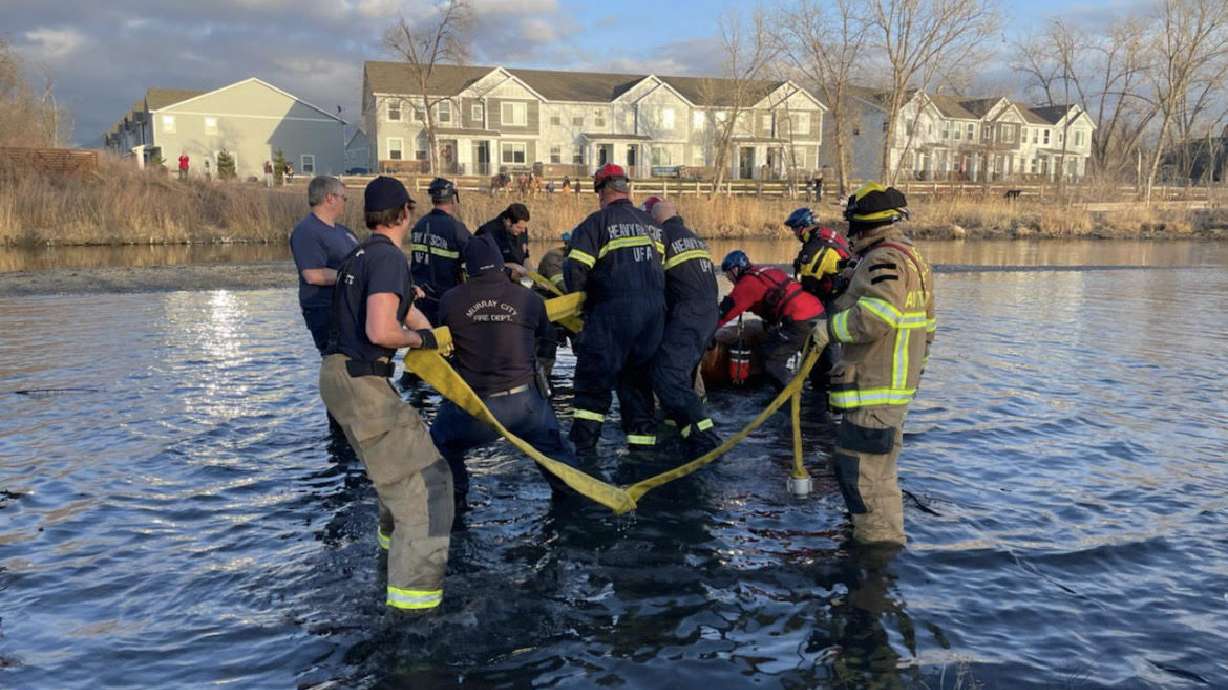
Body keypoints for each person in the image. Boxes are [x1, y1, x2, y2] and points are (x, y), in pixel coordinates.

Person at [318, 176, 453, 612]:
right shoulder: (390, 259)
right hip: (363, 383)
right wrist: (420, 343)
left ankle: (387, 562)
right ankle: (414, 614)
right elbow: (381, 330)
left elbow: (401, 313)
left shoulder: (359, 254)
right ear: (403, 215)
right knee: (429, 485)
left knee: (393, 478)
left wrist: (429, 330)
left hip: (337, 379)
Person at [809, 182, 936, 546]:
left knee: (864, 477)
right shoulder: (912, 258)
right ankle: (872, 550)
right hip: (888, 391)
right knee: (873, 475)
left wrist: (828, 328)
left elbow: (877, 316)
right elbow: (927, 329)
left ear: (863, 224)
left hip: (875, 390)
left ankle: (875, 566)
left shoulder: (884, 260)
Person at [430, 236, 575, 511]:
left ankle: (456, 503)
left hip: (476, 409)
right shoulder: (529, 299)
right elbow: (547, 337)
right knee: (558, 457)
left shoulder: (450, 300)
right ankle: (572, 503)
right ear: (501, 265)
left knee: (441, 442)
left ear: (466, 269)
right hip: (526, 404)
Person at [563, 163, 665, 452]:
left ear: (602, 191)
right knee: (638, 387)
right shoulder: (654, 227)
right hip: (653, 319)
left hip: (613, 316)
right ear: (626, 188)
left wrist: (583, 309)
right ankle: (642, 453)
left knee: (593, 385)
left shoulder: (597, 223)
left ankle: (583, 455)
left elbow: (576, 271)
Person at [642, 196, 721, 456]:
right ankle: (680, 428)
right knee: (685, 376)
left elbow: (651, 279)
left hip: (687, 315)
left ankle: (705, 438)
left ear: (655, 219)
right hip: (708, 314)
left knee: (667, 376)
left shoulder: (662, 236)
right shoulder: (694, 238)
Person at [717, 250, 825, 390]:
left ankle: (792, 396)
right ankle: (818, 393)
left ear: (736, 269)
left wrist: (707, 333)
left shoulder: (746, 284)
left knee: (771, 360)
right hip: (818, 312)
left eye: (728, 274)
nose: (729, 279)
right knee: (817, 360)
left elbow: (724, 313)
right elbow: (775, 299)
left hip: (799, 319)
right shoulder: (768, 271)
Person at [785, 207, 852, 393]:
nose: (794, 233)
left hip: (837, 295)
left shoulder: (816, 245)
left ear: (803, 228)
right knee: (826, 332)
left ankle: (831, 377)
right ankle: (822, 373)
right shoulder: (825, 235)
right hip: (840, 288)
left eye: (794, 229)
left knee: (828, 333)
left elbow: (808, 280)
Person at [290, 176, 359, 355]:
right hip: (325, 311)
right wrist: (354, 278)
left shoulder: (346, 233)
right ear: (330, 198)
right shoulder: (306, 231)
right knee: (339, 363)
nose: (345, 203)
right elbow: (313, 275)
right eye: (344, 198)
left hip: (351, 308)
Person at [408, 178, 471, 324]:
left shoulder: (419, 225)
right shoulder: (456, 228)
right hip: (447, 300)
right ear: (453, 199)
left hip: (420, 299)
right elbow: (476, 256)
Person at [534, 231, 571, 379]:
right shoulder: (554, 258)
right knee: (546, 343)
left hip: (568, 309)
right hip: (549, 310)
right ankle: (542, 378)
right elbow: (562, 285)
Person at [475, 203, 531, 279]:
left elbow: (525, 256)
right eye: (519, 227)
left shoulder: (522, 230)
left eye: (524, 227)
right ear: (508, 222)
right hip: (495, 281)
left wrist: (532, 276)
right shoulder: (488, 233)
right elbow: (482, 264)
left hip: (518, 280)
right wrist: (511, 266)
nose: (523, 231)